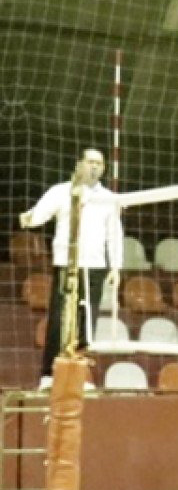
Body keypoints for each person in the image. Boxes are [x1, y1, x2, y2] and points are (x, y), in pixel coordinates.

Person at [18, 148, 122, 390]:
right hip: (67, 263)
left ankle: (79, 375)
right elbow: (39, 214)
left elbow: (115, 234)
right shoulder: (61, 191)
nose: (95, 167)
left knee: (86, 324)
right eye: (90, 161)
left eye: (99, 163)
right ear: (79, 164)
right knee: (59, 319)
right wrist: (28, 218)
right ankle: (48, 375)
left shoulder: (109, 198)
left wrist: (115, 267)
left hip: (95, 266)